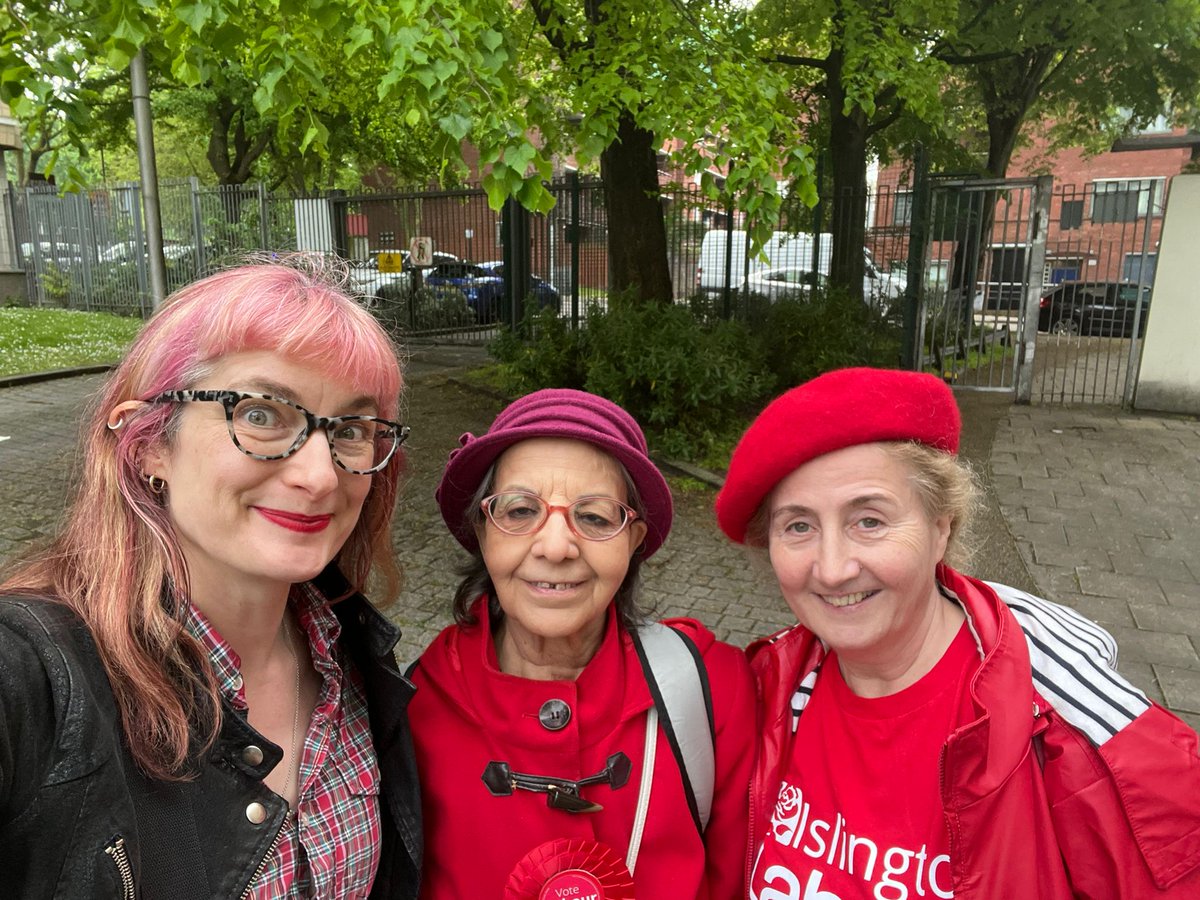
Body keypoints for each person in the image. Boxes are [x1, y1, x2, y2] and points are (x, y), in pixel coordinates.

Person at [0, 258, 421, 899]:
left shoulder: (363, 665)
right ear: (148, 446)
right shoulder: (30, 674)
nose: (319, 476)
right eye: (259, 414)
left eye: (351, 430)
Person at [714, 367, 1200, 899]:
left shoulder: (1059, 717)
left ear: (940, 527)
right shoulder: (773, 686)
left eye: (869, 520)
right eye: (799, 526)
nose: (831, 569)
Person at [409, 388, 755, 899]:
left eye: (594, 517)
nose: (554, 547)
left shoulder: (712, 691)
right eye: (520, 511)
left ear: (635, 540)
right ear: (482, 532)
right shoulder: (414, 703)